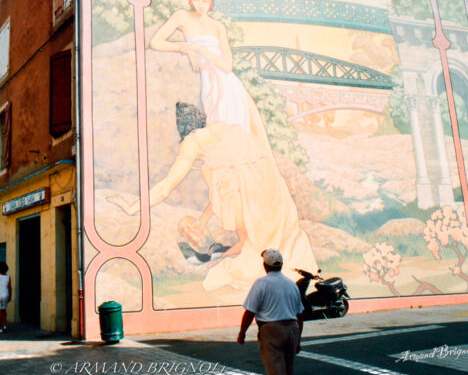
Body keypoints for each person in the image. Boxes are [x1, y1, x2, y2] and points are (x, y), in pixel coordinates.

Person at [108, 102, 318, 291]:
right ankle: (250, 251)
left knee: (248, 245)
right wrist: (202, 220)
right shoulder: (226, 130)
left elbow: (167, 186)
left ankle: (246, 253)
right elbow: (225, 186)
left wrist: (134, 207)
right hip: (271, 185)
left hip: (249, 190)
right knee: (261, 236)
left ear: (182, 128)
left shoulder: (192, 141)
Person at [149, 0, 268, 140]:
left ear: (210, 1)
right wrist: (184, 48)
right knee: (215, 127)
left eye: (205, 0)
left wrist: (199, 49)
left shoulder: (218, 26)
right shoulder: (182, 16)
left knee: (232, 130)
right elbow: (155, 42)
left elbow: (227, 66)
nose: (200, 4)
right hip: (208, 79)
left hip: (228, 84)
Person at [237, 249, 304, 375]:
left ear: (265, 266)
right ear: (281, 265)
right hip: (292, 329)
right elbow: (299, 315)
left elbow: (250, 312)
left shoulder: (261, 283)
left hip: (271, 330)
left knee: (276, 373)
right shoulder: (292, 284)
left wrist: (242, 333)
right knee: (288, 370)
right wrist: (298, 340)